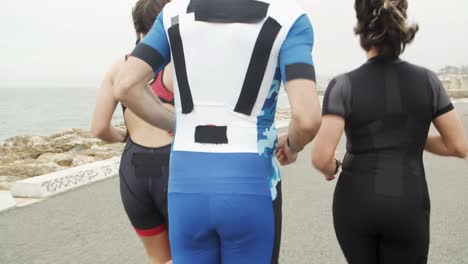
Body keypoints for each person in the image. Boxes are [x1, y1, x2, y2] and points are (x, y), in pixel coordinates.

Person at [113, 0, 322, 262]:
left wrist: (179, 125)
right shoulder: (291, 19)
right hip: (251, 182)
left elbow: (125, 86)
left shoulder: (172, 15)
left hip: (185, 184)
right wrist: (292, 145)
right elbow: (307, 118)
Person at [311, 0, 468, 263]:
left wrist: (332, 167)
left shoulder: (343, 85)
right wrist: (416, 139)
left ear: (361, 28)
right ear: (401, 25)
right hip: (408, 203)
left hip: (355, 202)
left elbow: (320, 158)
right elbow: (459, 146)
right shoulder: (428, 81)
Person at [91, 0, 173, 263]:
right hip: (174, 166)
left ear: (138, 29)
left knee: (157, 258)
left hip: (134, 171)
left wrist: (124, 137)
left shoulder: (119, 69)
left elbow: (100, 128)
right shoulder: (181, 67)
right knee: (188, 254)